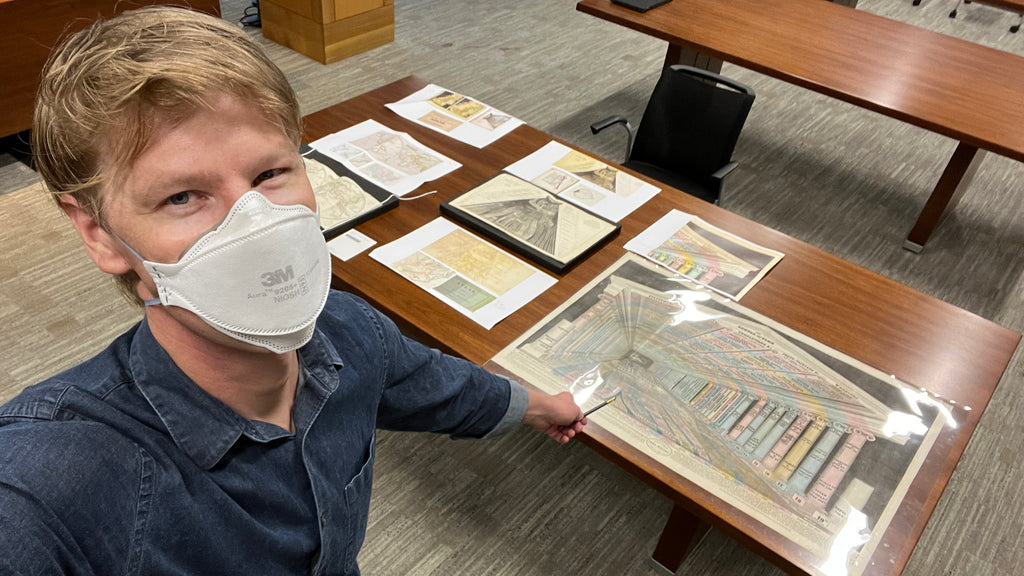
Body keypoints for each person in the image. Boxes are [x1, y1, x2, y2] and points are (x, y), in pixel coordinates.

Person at [0, 6, 585, 575]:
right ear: (97, 233)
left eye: (268, 175)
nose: (254, 224)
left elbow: (433, 384)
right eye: (182, 197)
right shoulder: (51, 484)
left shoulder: (348, 329)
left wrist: (540, 406)